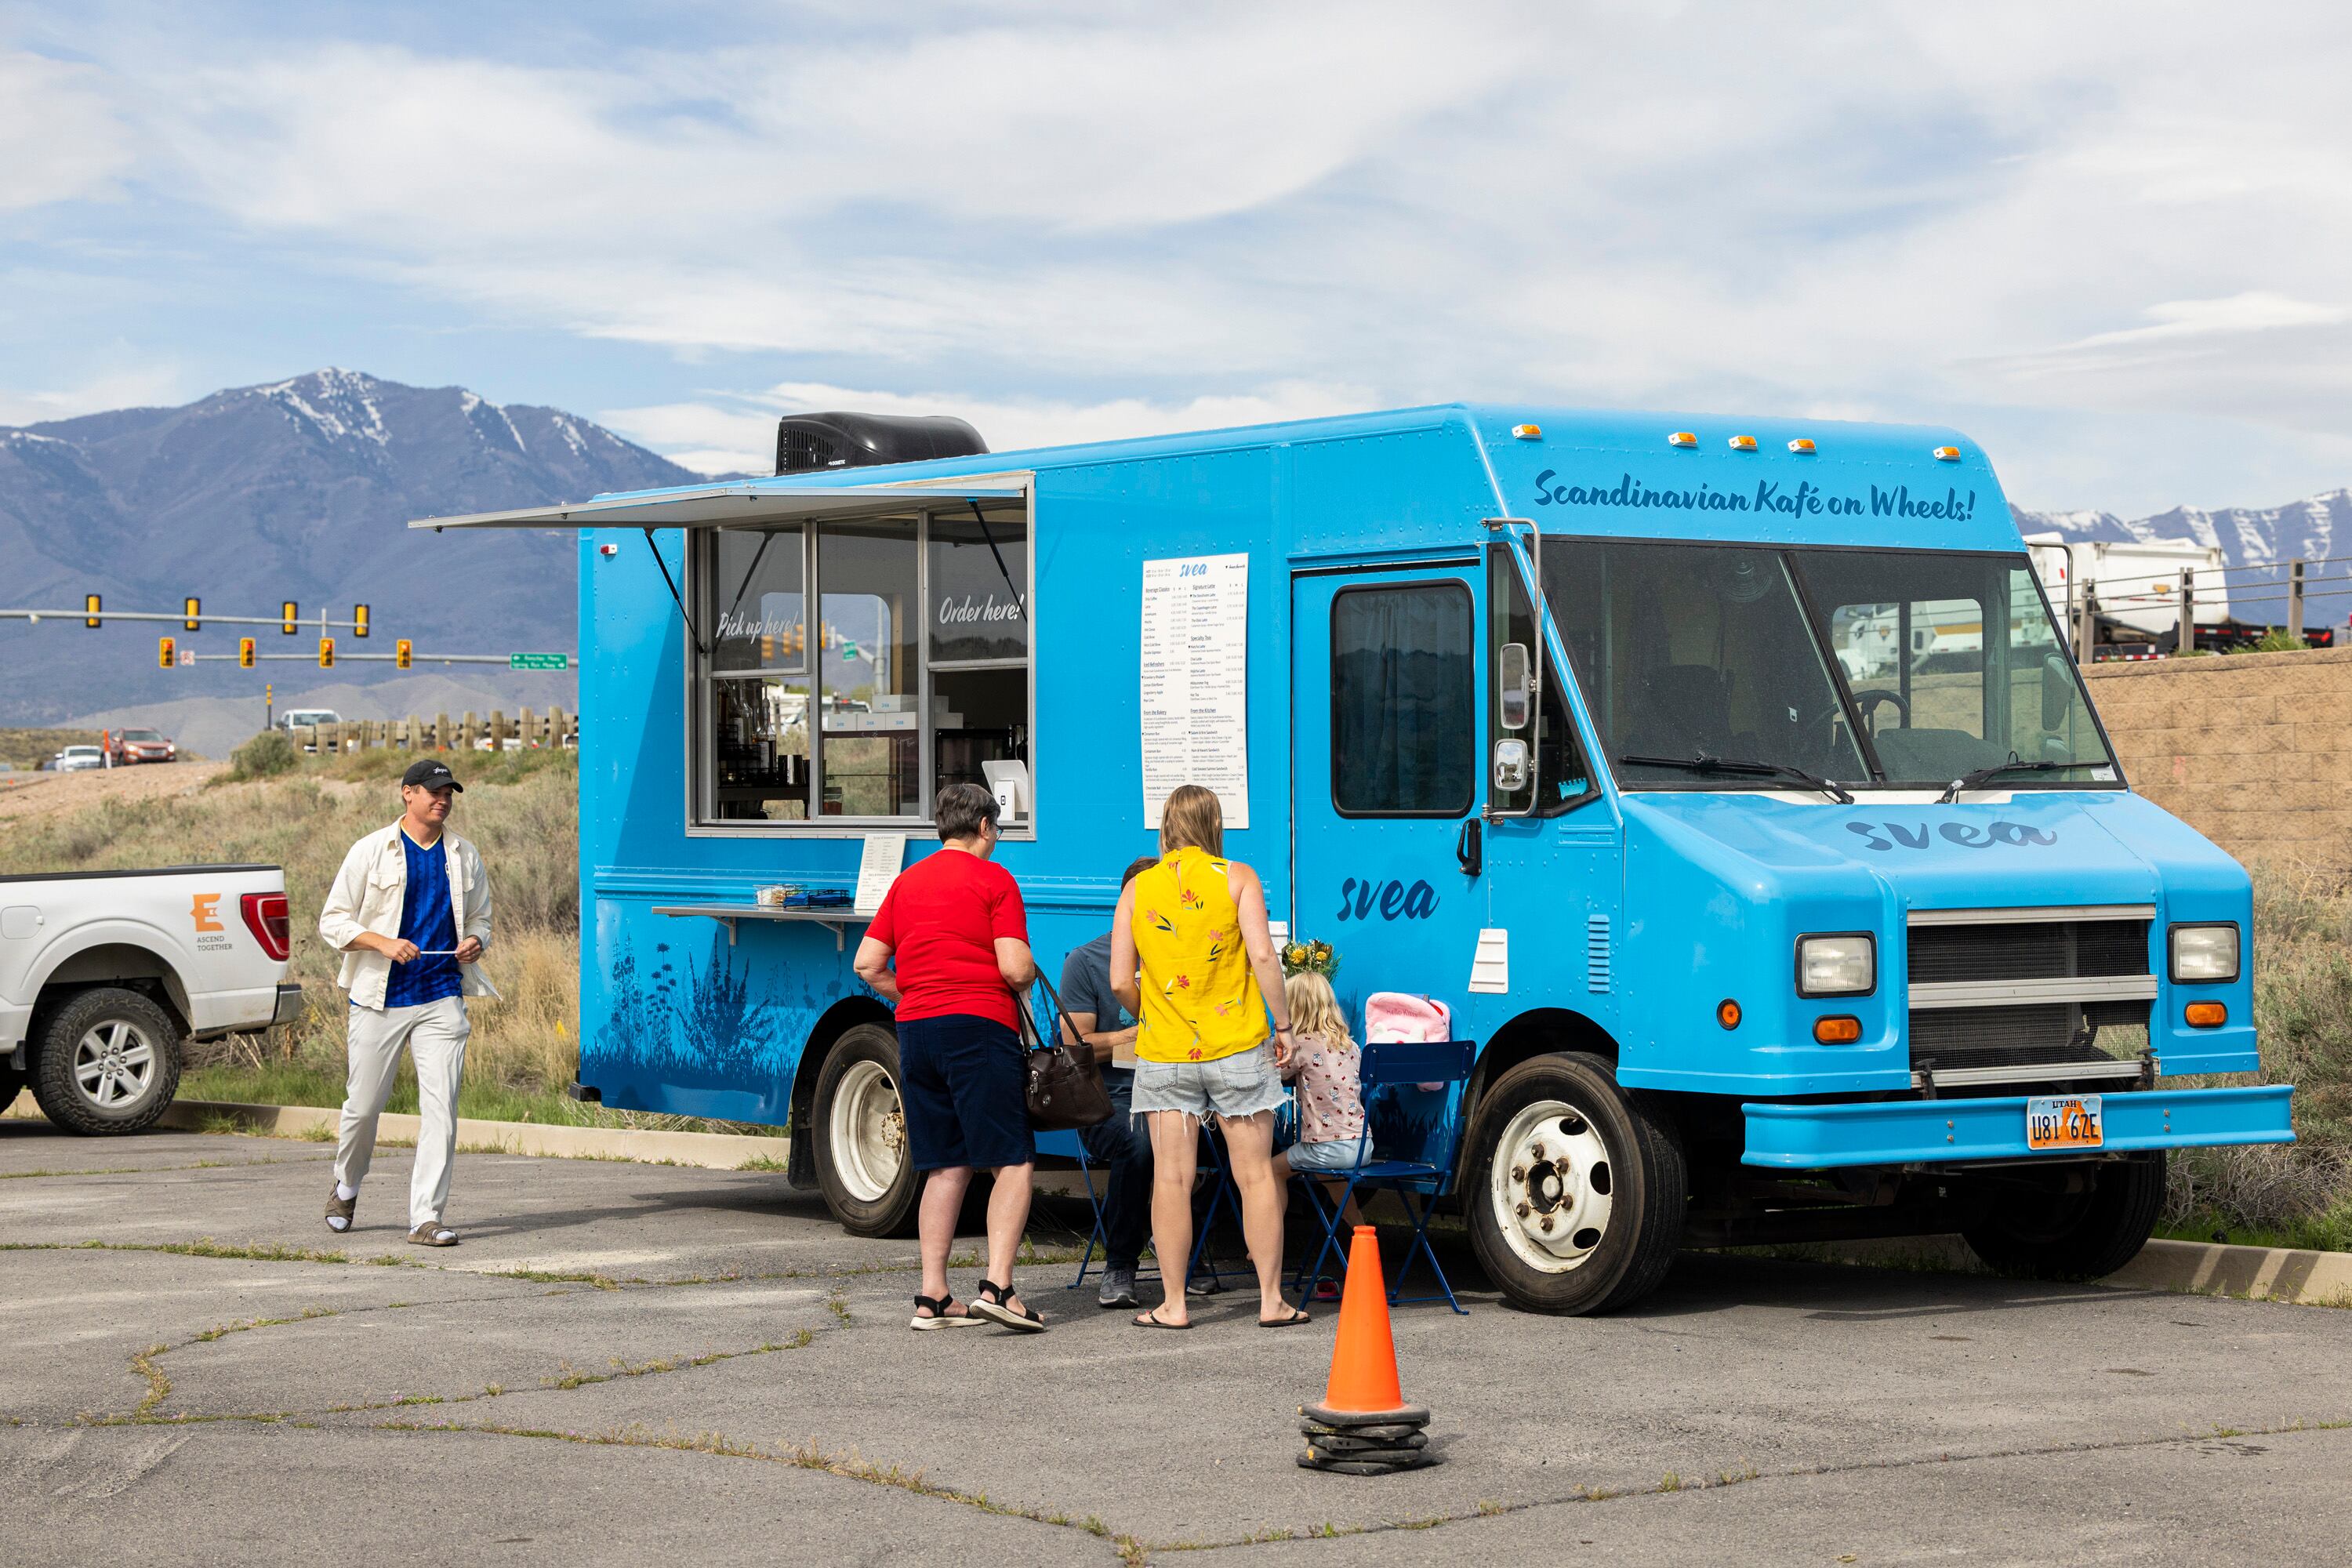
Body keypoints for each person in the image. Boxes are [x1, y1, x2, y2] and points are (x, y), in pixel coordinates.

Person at [1112, 783, 1307, 1329]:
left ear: (1167, 827)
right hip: (1237, 1047)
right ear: (1213, 825)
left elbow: (1118, 980)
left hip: (1167, 1052)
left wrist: (1151, 1010)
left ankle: (1173, 1304)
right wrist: (1284, 1024)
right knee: (1255, 1178)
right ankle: (1271, 1300)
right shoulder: (1238, 878)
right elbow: (1264, 954)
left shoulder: (1138, 889)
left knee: (1171, 1179)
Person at [853, 782, 1045, 1334]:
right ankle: (999, 1288)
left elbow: (867, 963)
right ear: (985, 827)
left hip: (916, 1031)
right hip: (978, 1027)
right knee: (1012, 1158)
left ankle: (934, 1297)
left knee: (946, 1164)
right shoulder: (996, 880)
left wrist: (911, 994)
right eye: (997, 831)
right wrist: (1026, 968)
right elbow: (1013, 968)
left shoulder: (907, 882)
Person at [318, 758, 495, 1247]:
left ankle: (425, 1217)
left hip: (442, 994)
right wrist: (381, 942)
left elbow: (481, 918)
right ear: (407, 794)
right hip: (380, 997)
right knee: (364, 1106)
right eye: (433, 791)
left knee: (442, 1109)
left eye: (449, 793)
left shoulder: (464, 854)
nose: (442, 800)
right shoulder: (371, 850)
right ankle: (347, 1185)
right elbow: (332, 922)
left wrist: (477, 941)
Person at [1062, 855, 1168, 1308]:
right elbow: (1074, 1045)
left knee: (1251, 1139)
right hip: (1109, 1100)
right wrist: (1134, 1035)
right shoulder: (1087, 961)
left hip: (1176, 1089)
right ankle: (1121, 1262)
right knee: (1141, 1142)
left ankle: (1187, 1249)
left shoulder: (1179, 955)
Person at [1272, 970, 1371, 1265]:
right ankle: (1363, 1233)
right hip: (1362, 1148)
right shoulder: (1350, 1045)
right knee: (1326, 1175)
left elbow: (1273, 1073)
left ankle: (1269, 1243)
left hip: (1328, 1147)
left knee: (1272, 1170)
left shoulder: (1299, 1046)